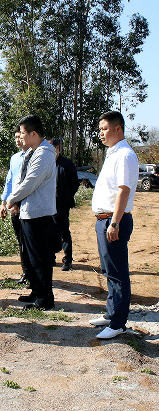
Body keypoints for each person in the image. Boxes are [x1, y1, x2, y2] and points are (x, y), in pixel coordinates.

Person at [90, 111, 138, 339]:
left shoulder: (125, 155)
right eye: (100, 129)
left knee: (118, 272)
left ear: (118, 128)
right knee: (109, 271)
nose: (100, 133)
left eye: (104, 128)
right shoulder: (112, 154)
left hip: (114, 220)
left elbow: (123, 190)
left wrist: (115, 222)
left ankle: (118, 323)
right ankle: (111, 314)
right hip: (104, 220)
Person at [6, 115, 57, 310]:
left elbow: (30, 182)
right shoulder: (31, 152)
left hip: (38, 214)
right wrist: (17, 202)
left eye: (24, 133)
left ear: (34, 133)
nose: (21, 136)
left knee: (40, 259)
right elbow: (20, 179)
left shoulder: (44, 153)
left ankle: (45, 300)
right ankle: (37, 291)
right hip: (27, 212)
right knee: (29, 255)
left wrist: (12, 199)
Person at [0, 127, 30, 284]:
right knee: (21, 241)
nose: (18, 140)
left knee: (30, 242)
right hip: (14, 206)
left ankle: (34, 275)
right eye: (16, 137)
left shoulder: (34, 155)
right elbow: (9, 181)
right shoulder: (15, 158)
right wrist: (4, 202)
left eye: (21, 136)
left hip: (28, 206)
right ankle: (26, 272)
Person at [47, 138, 80, 271]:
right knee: (49, 232)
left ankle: (67, 259)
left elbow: (74, 184)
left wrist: (66, 196)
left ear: (57, 148)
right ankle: (51, 257)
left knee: (64, 232)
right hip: (47, 205)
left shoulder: (66, 164)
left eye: (52, 148)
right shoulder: (45, 163)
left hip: (62, 205)